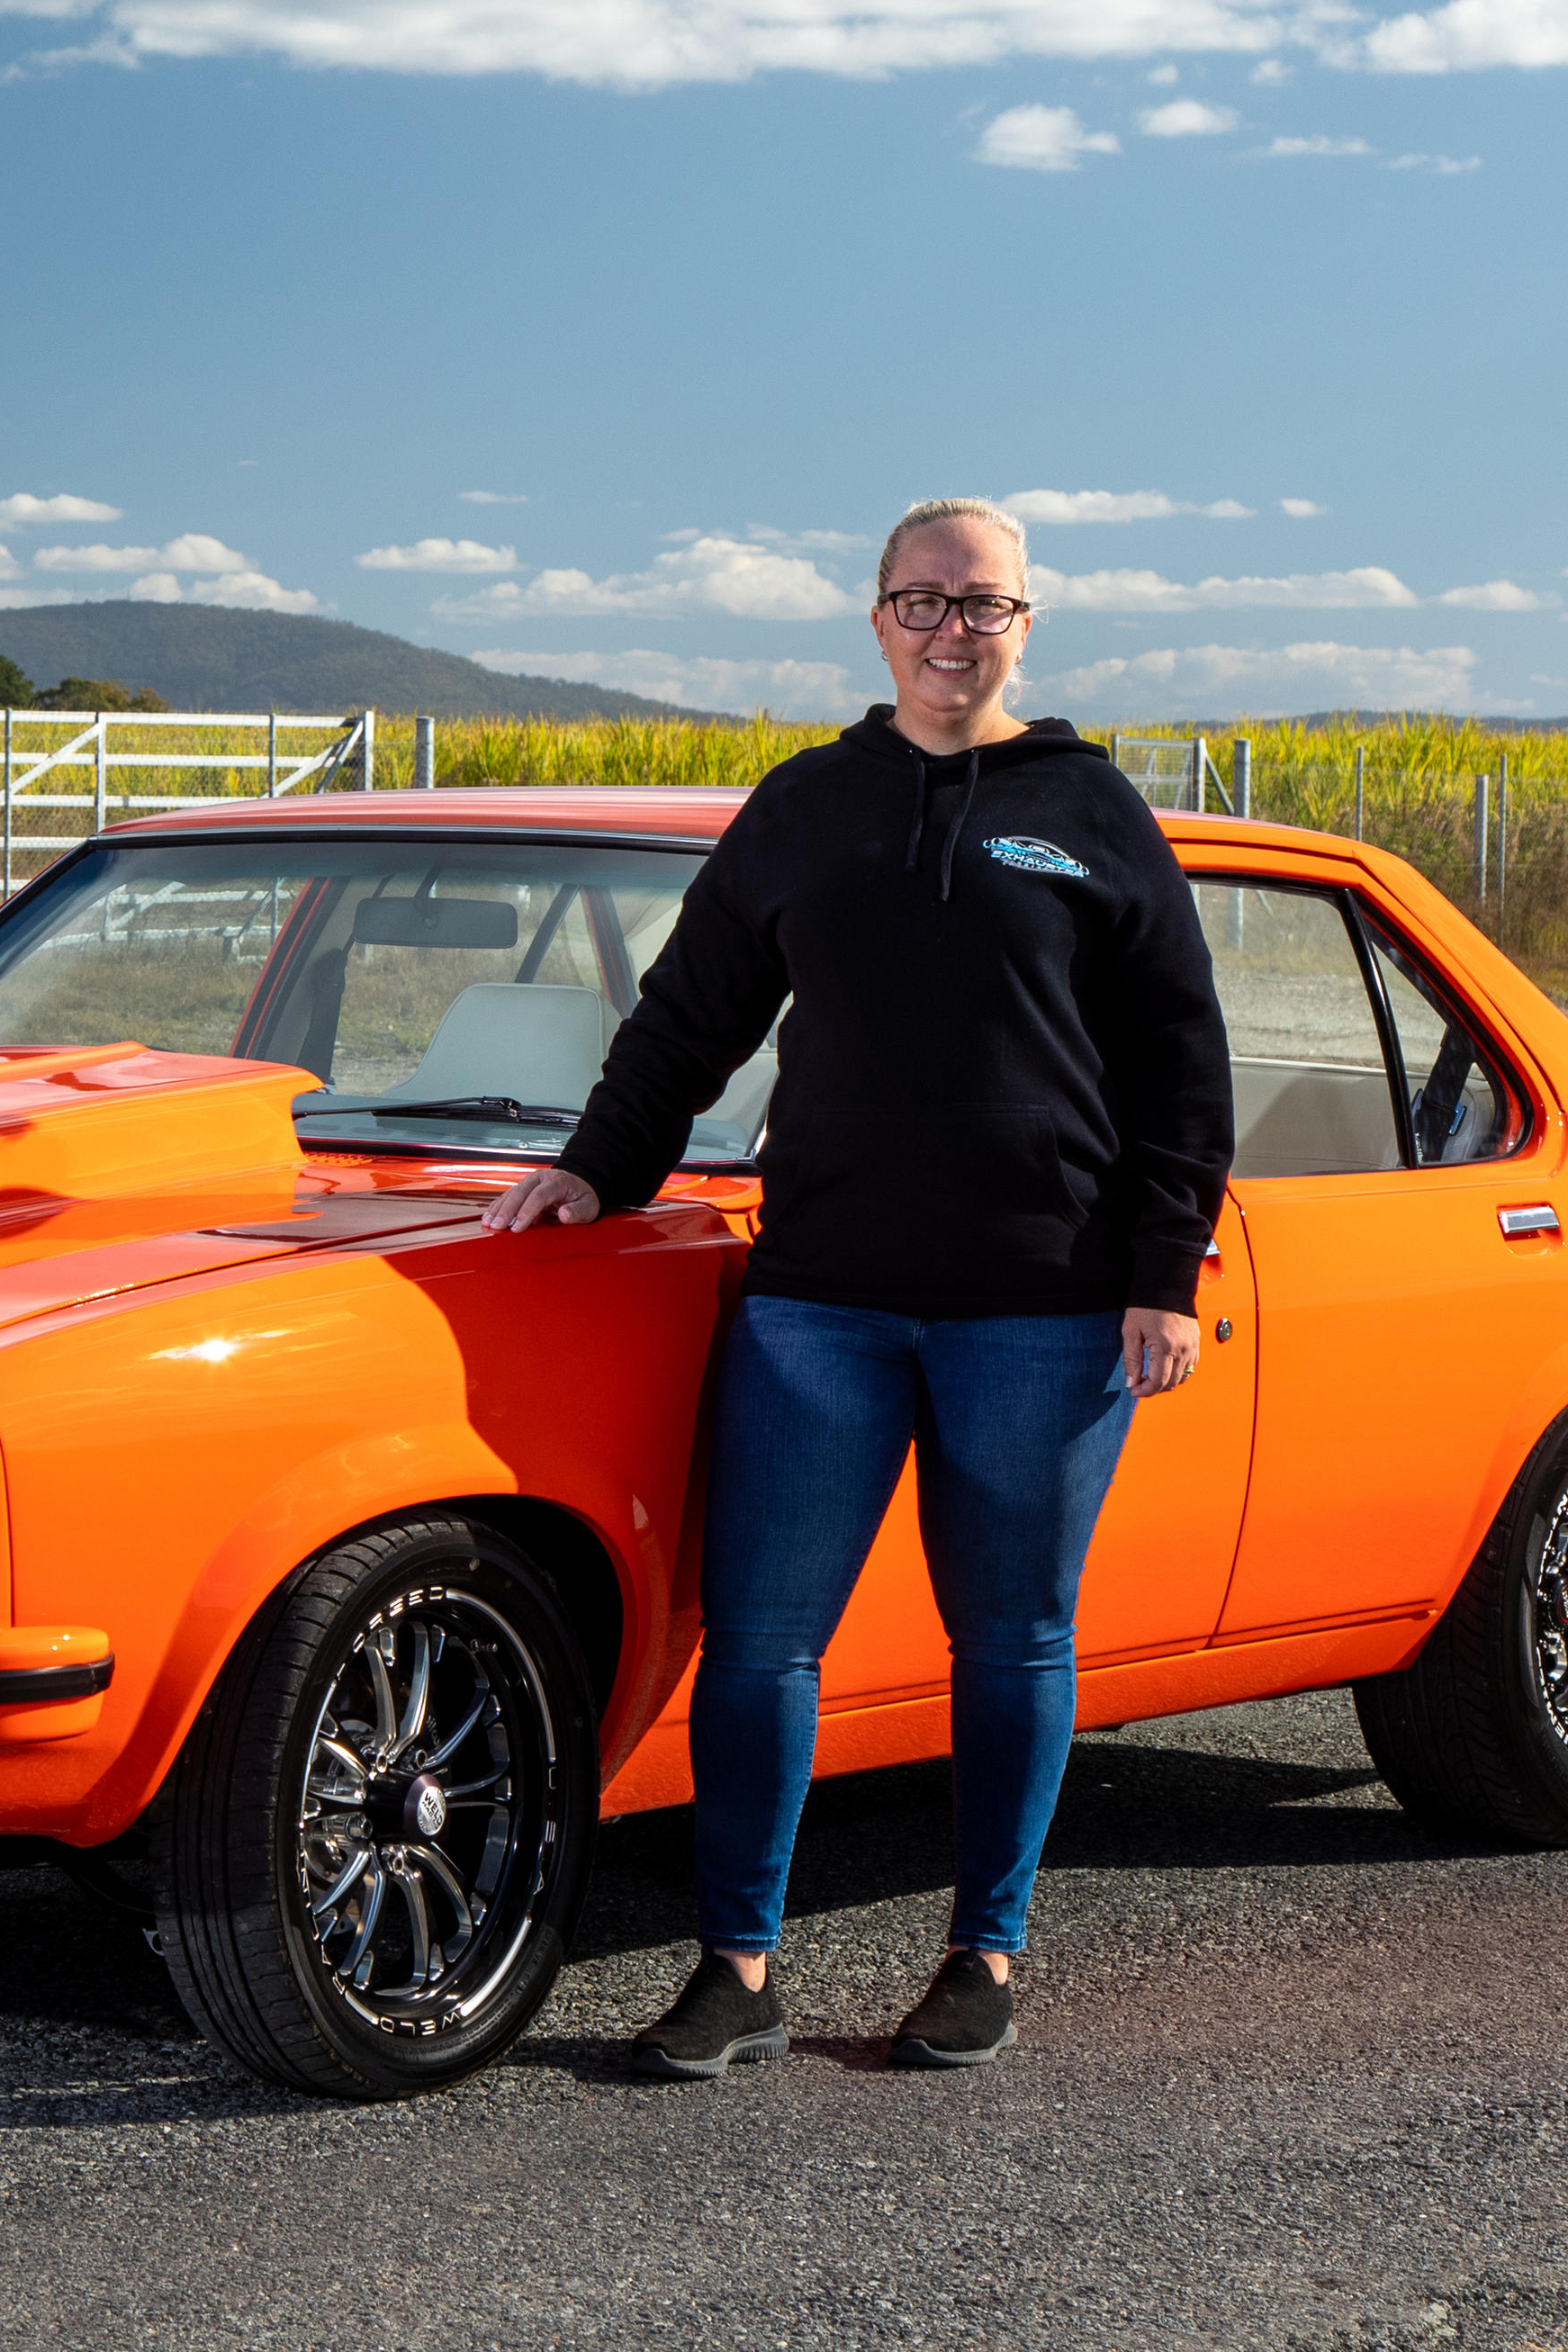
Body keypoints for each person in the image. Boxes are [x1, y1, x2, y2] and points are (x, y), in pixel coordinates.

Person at [480, 496, 1235, 2074]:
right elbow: (689, 1014)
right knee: (761, 1641)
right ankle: (738, 1968)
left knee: (1011, 1639)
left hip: (1043, 1309)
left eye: (985, 604)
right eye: (925, 601)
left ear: (1027, 622)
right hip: (819, 1300)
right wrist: (596, 1169)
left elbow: (1180, 1054)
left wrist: (1164, 1269)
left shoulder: (1091, 810)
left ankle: (985, 1952)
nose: (955, 630)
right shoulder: (806, 806)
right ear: (879, 618)